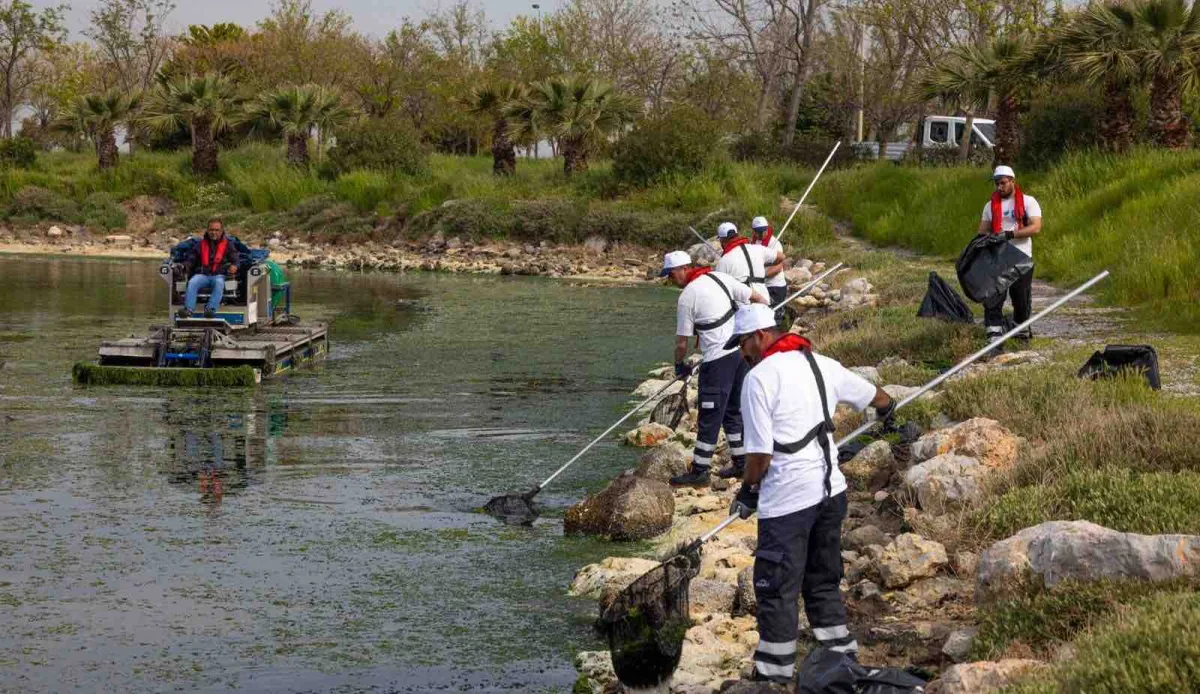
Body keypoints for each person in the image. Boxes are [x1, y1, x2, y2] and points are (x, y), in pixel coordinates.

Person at [723, 304, 895, 683]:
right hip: (832, 494)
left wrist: (748, 490)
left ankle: (773, 674)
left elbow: (759, 456)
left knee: (777, 587)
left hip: (787, 501)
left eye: (742, 344)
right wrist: (889, 412)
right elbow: (876, 397)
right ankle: (842, 663)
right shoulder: (821, 363)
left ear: (760, 337)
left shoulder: (759, 379)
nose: (742, 353)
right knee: (821, 580)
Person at [660, 250, 770, 485]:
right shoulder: (721, 277)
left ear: (682, 270)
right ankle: (741, 463)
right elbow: (760, 299)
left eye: (670, 275)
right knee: (733, 412)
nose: (670, 280)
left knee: (710, 416)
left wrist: (679, 365)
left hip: (717, 361)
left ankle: (700, 470)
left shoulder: (688, 297)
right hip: (740, 355)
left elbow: (681, 342)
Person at [977, 165, 1042, 342]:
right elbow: (982, 231)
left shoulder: (1029, 201)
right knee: (993, 296)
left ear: (1013, 181)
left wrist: (1010, 234)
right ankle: (994, 335)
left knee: (1020, 296)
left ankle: (1021, 332)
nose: (999, 187)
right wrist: (989, 240)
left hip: (1021, 256)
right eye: (997, 184)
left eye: (1003, 183)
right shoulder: (989, 206)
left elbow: (1035, 227)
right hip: (998, 258)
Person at [180, 218, 240, 319]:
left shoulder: (229, 245)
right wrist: (184, 266)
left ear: (221, 231)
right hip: (203, 275)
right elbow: (191, 259)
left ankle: (210, 309)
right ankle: (188, 310)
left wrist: (235, 266)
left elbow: (236, 260)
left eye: (217, 230)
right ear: (207, 230)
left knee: (219, 283)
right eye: (211, 230)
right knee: (193, 281)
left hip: (219, 276)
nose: (214, 232)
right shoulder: (200, 245)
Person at [715, 221, 784, 303]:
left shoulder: (723, 262)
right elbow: (781, 256)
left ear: (722, 240)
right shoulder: (757, 248)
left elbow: (720, 291)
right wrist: (762, 264)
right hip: (764, 300)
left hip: (744, 305)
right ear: (737, 235)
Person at [750, 216, 789, 306]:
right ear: (753, 231)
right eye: (759, 231)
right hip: (762, 286)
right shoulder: (753, 243)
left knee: (776, 315)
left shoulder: (774, 243)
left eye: (764, 230)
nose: (763, 233)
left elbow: (778, 267)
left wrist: (761, 276)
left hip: (775, 286)